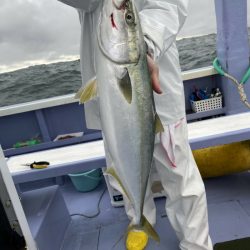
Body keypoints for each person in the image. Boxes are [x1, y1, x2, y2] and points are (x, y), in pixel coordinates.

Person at [58, 0, 213, 249]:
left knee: (179, 173)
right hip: (111, 92)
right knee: (123, 164)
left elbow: (170, 5)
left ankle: (196, 242)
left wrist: (145, 46)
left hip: (153, 72)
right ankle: (138, 219)